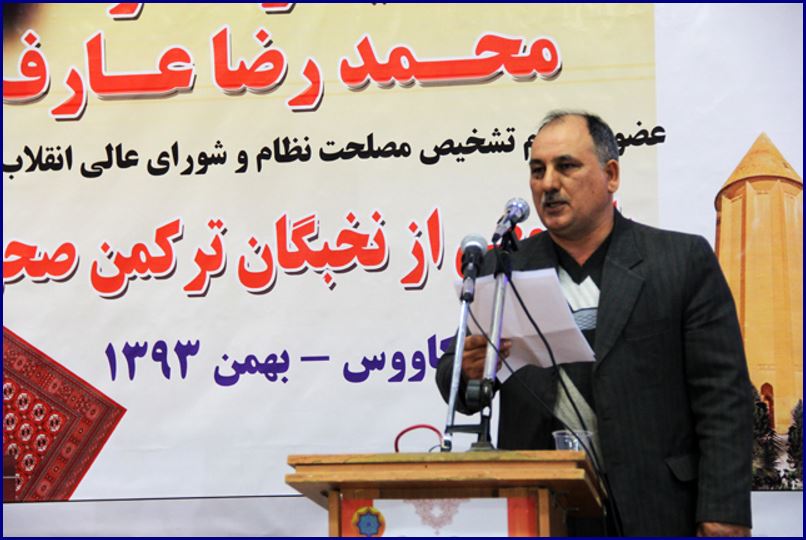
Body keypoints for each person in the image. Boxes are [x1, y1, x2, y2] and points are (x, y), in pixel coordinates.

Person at [436, 111, 753, 537]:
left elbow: (723, 395)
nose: (548, 184)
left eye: (566, 166)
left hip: (657, 508)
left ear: (611, 175)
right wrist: (468, 368)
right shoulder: (503, 269)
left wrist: (724, 509)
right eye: (537, 170)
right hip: (540, 509)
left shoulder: (679, 261)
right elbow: (454, 377)